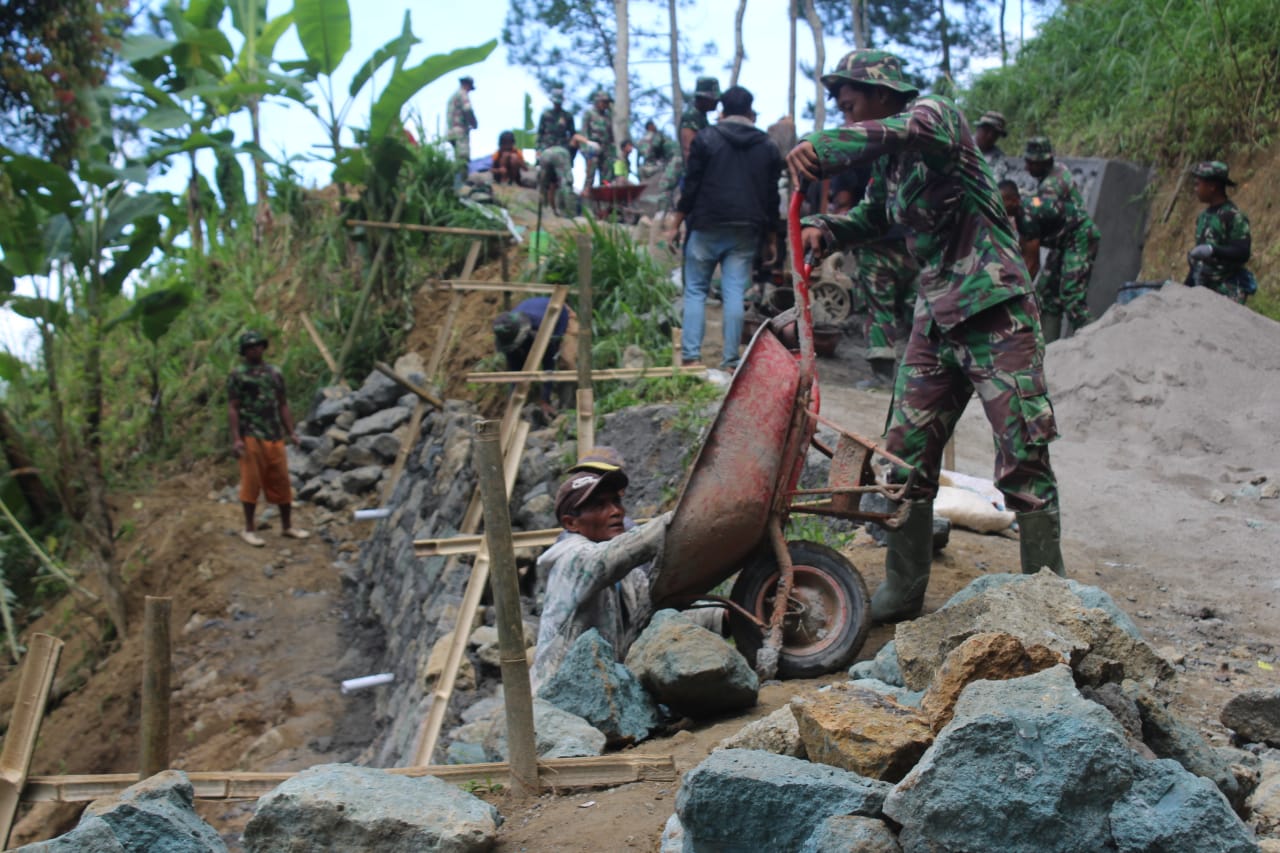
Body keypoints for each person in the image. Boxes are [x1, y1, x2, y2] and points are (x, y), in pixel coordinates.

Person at [787, 49, 1064, 623]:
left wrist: (829, 146)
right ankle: (903, 589)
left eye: (850, 97)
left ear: (882, 92)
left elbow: (904, 129)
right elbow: (875, 218)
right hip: (935, 318)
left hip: (996, 312)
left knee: (1022, 457)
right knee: (904, 458)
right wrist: (827, 228)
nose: (841, 106)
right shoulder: (891, 166)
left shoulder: (936, 118)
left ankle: (1051, 601)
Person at [668, 85, 783, 369]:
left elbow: (691, 185)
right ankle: (730, 360)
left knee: (695, 290)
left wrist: (676, 223)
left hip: (706, 223)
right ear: (749, 110)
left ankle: (691, 358)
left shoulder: (706, 138)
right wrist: (771, 237)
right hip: (746, 229)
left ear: (722, 110)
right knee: (734, 292)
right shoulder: (767, 146)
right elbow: (771, 196)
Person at [531, 469, 672, 692]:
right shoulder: (572, 559)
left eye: (616, 502)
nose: (616, 512)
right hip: (558, 698)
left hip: (604, 695)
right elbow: (612, 557)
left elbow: (654, 611)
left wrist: (718, 617)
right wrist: (678, 519)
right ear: (571, 523)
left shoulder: (627, 575)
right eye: (599, 505)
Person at [227, 330, 309, 547]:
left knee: (281, 480)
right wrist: (236, 438)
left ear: (263, 347)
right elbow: (233, 407)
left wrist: (291, 432)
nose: (255, 349)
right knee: (251, 482)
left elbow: (282, 404)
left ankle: (287, 526)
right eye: (250, 347)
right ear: (244, 351)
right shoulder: (238, 375)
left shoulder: (274, 373)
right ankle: (249, 529)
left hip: (273, 433)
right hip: (250, 434)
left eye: (258, 345)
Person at [999, 180, 1100, 341]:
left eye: (1001, 202)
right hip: (1064, 243)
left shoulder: (1027, 215)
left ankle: (1095, 339)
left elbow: (1032, 265)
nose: (998, 207)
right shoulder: (1021, 214)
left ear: (1014, 200)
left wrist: (1018, 293)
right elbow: (1023, 256)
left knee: (1071, 294)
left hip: (1080, 235)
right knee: (1047, 296)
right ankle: (1050, 348)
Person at [1184, 160, 1253, 304]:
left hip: (1227, 292)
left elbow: (1242, 252)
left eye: (1198, 184)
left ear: (1212, 187)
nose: (1195, 189)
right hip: (1203, 287)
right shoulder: (1203, 217)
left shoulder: (1233, 216)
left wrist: (1212, 250)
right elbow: (1199, 263)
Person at [493, 296, 571, 418]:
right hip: (533, 310)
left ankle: (567, 409)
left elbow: (549, 364)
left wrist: (545, 400)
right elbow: (515, 372)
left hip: (560, 315)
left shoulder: (540, 328)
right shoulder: (506, 330)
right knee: (519, 359)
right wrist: (512, 405)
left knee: (567, 362)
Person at [659, 77, 722, 210]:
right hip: (694, 178)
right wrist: (695, 179)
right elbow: (689, 149)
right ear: (703, 98)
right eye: (714, 99)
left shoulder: (701, 118)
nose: (717, 102)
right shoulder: (691, 117)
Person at [536, 86, 586, 215]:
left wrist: (572, 153)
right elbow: (540, 134)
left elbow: (573, 134)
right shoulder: (545, 115)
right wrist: (538, 151)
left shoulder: (567, 116)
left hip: (562, 153)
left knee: (564, 182)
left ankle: (566, 211)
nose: (557, 104)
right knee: (546, 181)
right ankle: (546, 209)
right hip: (547, 151)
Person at [1023, 136, 1085, 210]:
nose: (1026, 168)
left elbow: (1040, 210)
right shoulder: (1060, 167)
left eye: (1031, 164)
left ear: (1042, 163)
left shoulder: (1049, 187)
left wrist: (1026, 202)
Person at [581, 89, 616, 189]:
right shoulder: (589, 114)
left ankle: (605, 196)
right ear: (598, 101)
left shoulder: (608, 116)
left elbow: (611, 135)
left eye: (607, 102)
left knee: (606, 176)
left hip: (606, 150)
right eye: (604, 102)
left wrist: (612, 152)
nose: (605, 105)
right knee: (590, 174)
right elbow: (584, 132)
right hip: (592, 149)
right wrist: (585, 149)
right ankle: (586, 195)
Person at [446, 76, 478, 179]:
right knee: (463, 158)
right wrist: (474, 122)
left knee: (457, 158)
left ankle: (456, 182)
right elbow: (467, 109)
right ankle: (460, 185)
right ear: (467, 85)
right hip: (460, 131)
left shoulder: (452, 97)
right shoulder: (463, 94)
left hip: (451, 131)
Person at [974, 110, 1010, 182]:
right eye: (987, 130)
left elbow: (996, 183)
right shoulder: (961, 144)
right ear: (978, 128)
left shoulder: (999, 159)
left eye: (995, 134)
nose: (990, 136)